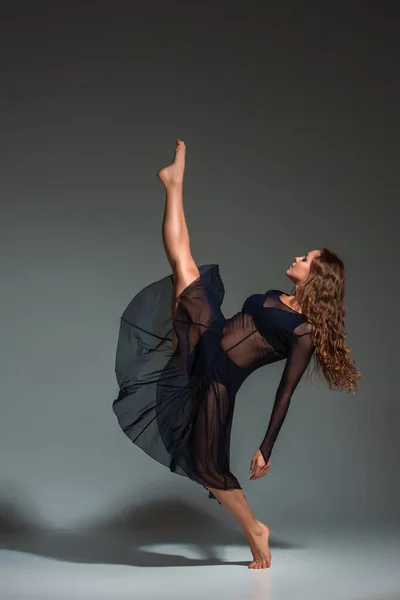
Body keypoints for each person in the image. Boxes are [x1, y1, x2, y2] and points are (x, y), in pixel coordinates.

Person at [112, 139, 361, 569]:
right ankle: (174, 185)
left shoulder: (303, 332)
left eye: (306, 259)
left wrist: (266, 447)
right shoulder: (277, 297)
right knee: (184, 266)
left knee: (209, 468)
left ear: (316, 278)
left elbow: (285, 393)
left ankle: (254, 529)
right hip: (207, 341)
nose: (297, 258)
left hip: (218, 382)